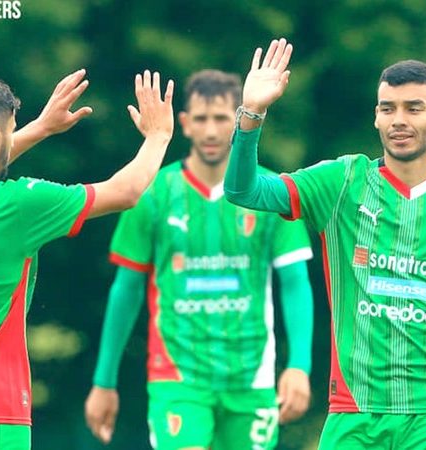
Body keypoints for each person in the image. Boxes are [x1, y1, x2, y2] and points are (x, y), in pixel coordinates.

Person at [225, 39, 426, 450]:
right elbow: (243, 191)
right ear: (376, 117)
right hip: (352, 413)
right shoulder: (341, 182)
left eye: (414, 108)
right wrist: (252, 115)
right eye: (388, 109)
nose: (399, 120)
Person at [0, 68, 174, 450]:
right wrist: (158, 136)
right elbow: (124, 192)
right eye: (10, 130)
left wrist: (40, 128)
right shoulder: (18, 205)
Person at [84, 69, 315, 450]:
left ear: (238, 120)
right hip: (178, 376)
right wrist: (104, 381)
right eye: (201, 119)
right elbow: (126, 288)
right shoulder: (153, 192)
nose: (210, 131)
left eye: (221, 118)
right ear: (185, 123)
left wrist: (299, 366)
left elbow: (295, 283)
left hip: (251, 376)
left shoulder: (270, 191)